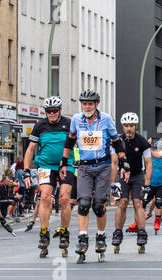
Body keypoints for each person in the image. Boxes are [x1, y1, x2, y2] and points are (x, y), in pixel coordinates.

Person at [60, 90, 131, 263]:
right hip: (84, 166)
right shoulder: (77, 119)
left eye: (90, 104)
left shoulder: (106, 119)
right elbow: (70, 140)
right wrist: (63, 161)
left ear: (96, 105)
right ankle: (83, 238)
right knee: (83, 203)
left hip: (103, 166)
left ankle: (100, 237)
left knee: (99, 205)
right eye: (84, 104)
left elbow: (116, 142)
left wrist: (124, 162)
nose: (87, 107)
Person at [23, 96, 75, 258]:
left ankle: (64, 232)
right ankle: (44, 233)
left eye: (54, 111)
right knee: (45, 197)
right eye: (48, 111)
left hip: (67, 165)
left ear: (60, 110)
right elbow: (30, 149)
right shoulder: (40, 125)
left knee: (64, 198)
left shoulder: (69, 123)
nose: (51, 114)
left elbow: (79, 143)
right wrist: (26, 171)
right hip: (45, 165)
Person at [110, 112, 152, 254]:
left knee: (137, 203)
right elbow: (114, 162)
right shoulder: (117, 141)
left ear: (136, 126)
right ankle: (117, 232)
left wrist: (147, 184)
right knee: (122, 202)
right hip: (122, 176)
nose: (129, 128)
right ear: (123, 126)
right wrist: (113, 183)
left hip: (137, 175)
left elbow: (148, 163)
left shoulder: (142, 142)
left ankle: (141, 233)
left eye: (132, 125)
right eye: (126, 125)